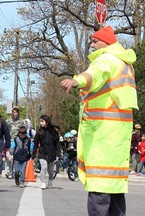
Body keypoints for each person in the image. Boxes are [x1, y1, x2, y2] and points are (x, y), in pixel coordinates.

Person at [60, 26, 138, 215]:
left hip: (102, 135)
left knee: (99, 188)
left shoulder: (106, 59)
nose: (92, 45)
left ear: (106, 42)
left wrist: (76, 81)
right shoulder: (125, 63)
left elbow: (94, 74)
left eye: (95, 41)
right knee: (115, 191)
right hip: (118, 136)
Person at [31, 115, 60, 190]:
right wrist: (33, 154)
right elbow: (36, 144)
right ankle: (43, 183)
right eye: (40, 121)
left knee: (50, 170)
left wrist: (58, 152)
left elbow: (57, 143)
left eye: (42, 121)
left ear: (47, 122)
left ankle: (50, 180)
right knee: (44, 167)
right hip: (42, 153)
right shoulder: (39, 132)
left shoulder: (54, 132)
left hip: (51, 154)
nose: (40, 123)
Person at [6, 106, 23, 179]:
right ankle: (10, 171)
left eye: (16, 112)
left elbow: (24, 131)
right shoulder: (8, 121)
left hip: (19, 140)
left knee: (17, 157)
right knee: (9, 156)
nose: (15, 113)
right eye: (14, 112)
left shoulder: (21, 121)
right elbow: (6, 131)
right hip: (10, 140)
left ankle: (16, 171)